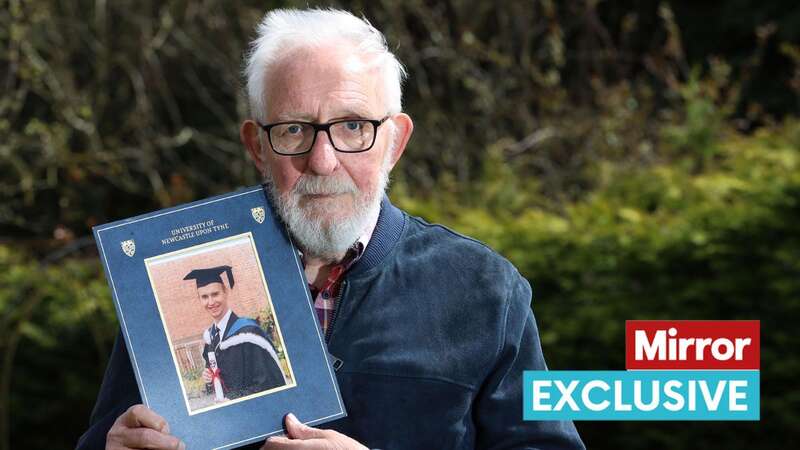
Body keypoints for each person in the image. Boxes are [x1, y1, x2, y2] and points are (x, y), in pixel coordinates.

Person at [78, 8, 585, 450]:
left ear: (394, 141)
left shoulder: (485, 291)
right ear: (258, 146)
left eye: (352, 128)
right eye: (294, 129)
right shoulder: (173, 282)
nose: (323, 161)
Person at [183, 265, 286, 401]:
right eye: (204, 297)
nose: (211, 302)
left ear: (225, 292)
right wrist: (209, 379)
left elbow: (269, 384)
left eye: (215, 294)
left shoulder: (249, 334)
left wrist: (232, 399)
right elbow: (219, 378)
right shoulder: (211, 337)